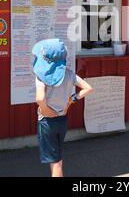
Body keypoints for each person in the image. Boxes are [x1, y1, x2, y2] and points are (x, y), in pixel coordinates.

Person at [32, 38, 93, 177]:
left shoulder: (41, 77)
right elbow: (88, 88)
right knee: (57, 157)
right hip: (62, 120)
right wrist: (71, 100)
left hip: (47, 122)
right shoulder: (69, 74)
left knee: (56, 162)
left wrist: (46, 110)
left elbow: (40, 98)